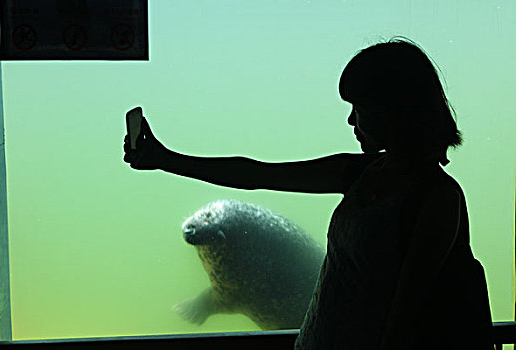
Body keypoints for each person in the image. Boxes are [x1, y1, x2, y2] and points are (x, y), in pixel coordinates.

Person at [123, 38, 494, 349]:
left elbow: (403, 317)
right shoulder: (361, 173)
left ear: (395, 112)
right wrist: (164, 159)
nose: (351, 121)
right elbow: (256, 174)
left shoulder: (438, 199)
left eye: (359, 108)